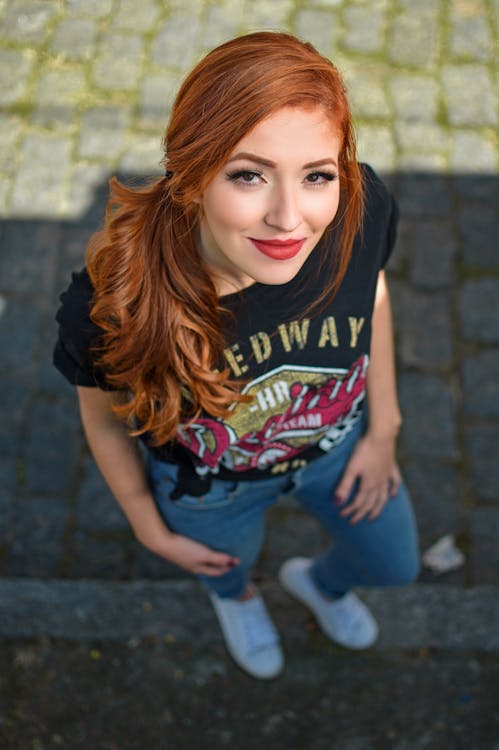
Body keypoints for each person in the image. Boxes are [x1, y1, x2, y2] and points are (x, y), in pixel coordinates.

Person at [54, 32, 420, 680]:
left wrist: (384, 424)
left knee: (394, 564)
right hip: (210, 490)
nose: (288, 217)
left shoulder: (356, 215)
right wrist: (146, 524)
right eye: (248, 174)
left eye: (316, 175)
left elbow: (376, 296)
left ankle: (320, 586)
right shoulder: (118, 302)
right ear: (192, 176)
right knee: (226, 567)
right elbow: (106, 419)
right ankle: (241, 600)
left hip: (339, 448)